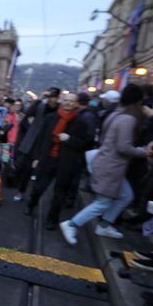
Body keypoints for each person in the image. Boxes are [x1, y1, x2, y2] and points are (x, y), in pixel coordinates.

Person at [60, 84, 153, 245]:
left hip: (107, 163)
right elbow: (123, 147)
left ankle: (104, 225)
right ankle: (71, 224)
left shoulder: (116, 114)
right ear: (139, 101)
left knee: (126, 196)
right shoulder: (128, 119)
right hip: (111, 166)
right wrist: (143, 152)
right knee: (103, 202)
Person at [25, 93, 94, 229]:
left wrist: (69, 139)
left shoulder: (80, 122)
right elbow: (41, 139)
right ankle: (31, 205)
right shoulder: (51, 118)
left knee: (60, 193)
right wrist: (36, 157)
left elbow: (85, 144)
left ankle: (52, 219)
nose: (68, 103)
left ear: (76, 104)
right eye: (66, 100)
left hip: (66, 162)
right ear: (62, 101)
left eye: (71, 101)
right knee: (39, 186)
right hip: (47, 158)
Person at [13, 87, 60, 201]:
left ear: (57, 97)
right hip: (33, 142)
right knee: (26, 169)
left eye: (53, 97)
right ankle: (21, 191)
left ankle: (33, 196)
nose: (51, 99)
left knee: (41, 172)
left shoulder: (59, 110)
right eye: (49, 96)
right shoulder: (40, 106)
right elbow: (28, 114)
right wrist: (39, 99)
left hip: (47, 143)